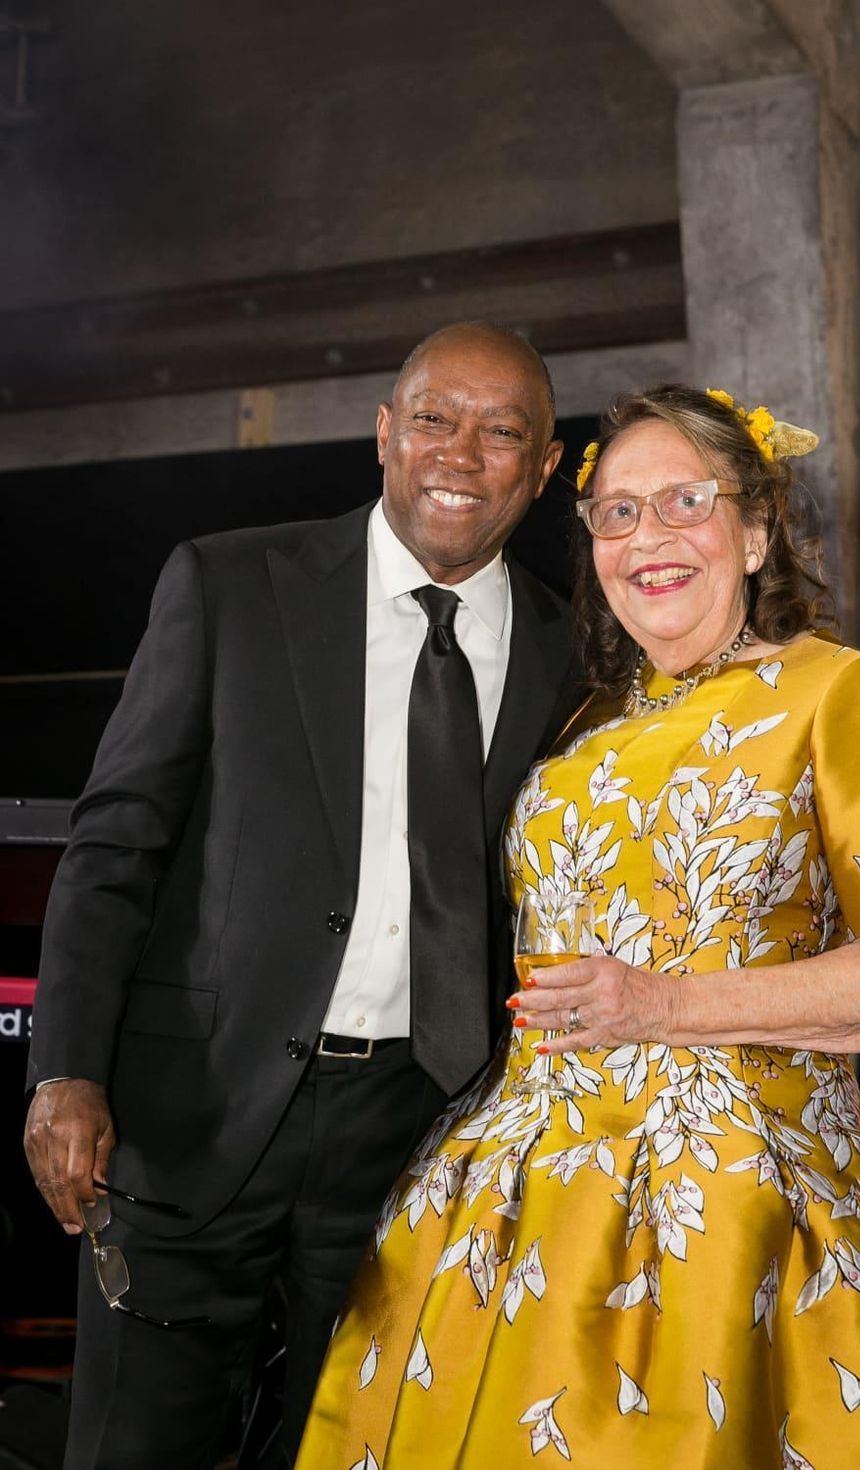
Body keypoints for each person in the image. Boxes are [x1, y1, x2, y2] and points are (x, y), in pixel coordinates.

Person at [297, 383, 860, 1468]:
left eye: (680, 503)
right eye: (615, 512)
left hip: (734, 1213)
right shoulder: (578, 722)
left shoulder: (830, 692)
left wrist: (660, 1005)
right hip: (511, 1214)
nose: (644, 538)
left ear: (754, 530)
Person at [23, 321, 577, 1468]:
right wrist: (65, 1067)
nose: (460, 455)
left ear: (546, 465)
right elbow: (117, 843)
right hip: (188, 1114)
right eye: (433, 418)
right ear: (383, 433)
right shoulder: (229, 583)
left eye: (501, 431)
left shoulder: (572, 657)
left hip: (421, 1137)